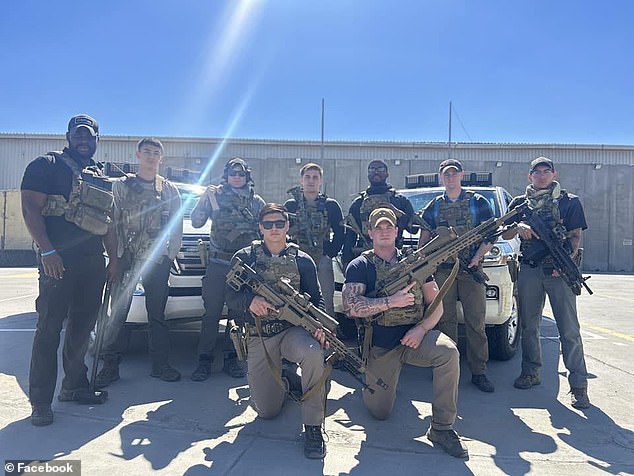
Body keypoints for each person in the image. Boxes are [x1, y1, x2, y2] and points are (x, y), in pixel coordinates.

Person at [342, 207, 467, 458]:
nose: (384, 231)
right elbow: (350, 307)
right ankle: (378, 382)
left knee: (449, 353)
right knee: (379, 412)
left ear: (397, 231)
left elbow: (437, 305)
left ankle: (442, 427)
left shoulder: (416, 262)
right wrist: (391, 302)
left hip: (414, 340)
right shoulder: (360, 265)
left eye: (389, 227)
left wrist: (421, 330)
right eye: (379, 227)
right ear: (370, 233)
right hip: (381, 345)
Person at [21, 114, 118, 426]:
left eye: (89, 136)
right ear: (67, 135)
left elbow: (109, 222)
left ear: (96, 140)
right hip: (57, 262)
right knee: (49, 330)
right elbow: (30, 209)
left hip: (92, 264)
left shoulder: (100, 174)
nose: (84, 140)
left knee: (81, 329)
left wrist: (113, 259)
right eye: (78, 134)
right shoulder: (46, 165)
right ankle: (40, 402)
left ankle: (74, 386)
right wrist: (47, 250)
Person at [225, 203, 329, 459]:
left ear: (287, 226)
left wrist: (320, 326)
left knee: (314, 352)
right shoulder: (244, 257)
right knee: (267, 411)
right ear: (260, 228)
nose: (274, 229)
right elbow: (229, 295)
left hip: (293, 332)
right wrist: (250, 302)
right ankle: (286, 380)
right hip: (260, 334)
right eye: (268, 224)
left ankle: (314, 426)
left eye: (279, 224)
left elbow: (317, 300)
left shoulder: (302, 260)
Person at [502, 157, 590, 409]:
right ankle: (531, 373)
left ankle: (579, 385)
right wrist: (518, 227)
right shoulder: (519, 203)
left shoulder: (569, 202)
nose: (541, 175)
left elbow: (575, 238)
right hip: (530, 270)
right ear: (529, 176)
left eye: (546, 171)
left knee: (569, 330)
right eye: (536, 172)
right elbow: (503, 232)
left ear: (554, 174)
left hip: (558, 273)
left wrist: (564, 264)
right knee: (529, 326)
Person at [95, 138, 183, 386]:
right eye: (147, 152)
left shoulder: (168, 189)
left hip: (156, 260)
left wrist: (170, 255)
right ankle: (110, 365)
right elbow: (112, 221)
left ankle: (160, 365)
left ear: (161, 159)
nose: (151, 156)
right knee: (118, 313)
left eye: (156, 153)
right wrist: (115, 257)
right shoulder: (122, 186)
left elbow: (176, 225)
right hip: (126, 258)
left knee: (157, 314)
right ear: (138, 155)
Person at [418, 159, 496, 393]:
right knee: (445, 320)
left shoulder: (477, 201)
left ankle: (479, 372)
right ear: (441, 177)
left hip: (471, 269)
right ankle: (446, 368)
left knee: (475, 322)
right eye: (446, 174)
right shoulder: (434, 205)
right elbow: (426, 232)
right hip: (443, 271)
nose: (450, 177)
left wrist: (477, 257)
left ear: (462, 175)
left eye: (454, 174)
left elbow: (490, 233)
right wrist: (422, 259)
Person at [189, 158, 266, 381]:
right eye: (233, 173)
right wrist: (203, 199)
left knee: (238, 315)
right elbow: (195, 222)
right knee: (211, 314)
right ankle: (204, 360)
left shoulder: (256, 202)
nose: (237, 177)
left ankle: (232, 359)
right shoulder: (215, 196)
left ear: (247, 176)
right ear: (226, 175)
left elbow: (264, 231)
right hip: (218, 263)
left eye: (241, 174)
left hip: (243, 268)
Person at [283, 163, 345, 317]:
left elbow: (340, 232)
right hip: (296, 259)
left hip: (322, 259)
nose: (311, 181)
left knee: (326, 300)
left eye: (315, 177)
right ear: (301, 180)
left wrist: (329, 254)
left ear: (321, 181)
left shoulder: (331, 205)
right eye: (307, 177)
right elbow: (281, 230)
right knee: (295, 298)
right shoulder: (291, 205)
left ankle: (330, 334)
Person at [342, 160, 416, 267]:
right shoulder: (358, 203)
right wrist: (346, 262)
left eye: (380, 169)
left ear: (387, 174)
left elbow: (413, 229)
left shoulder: (399, 200)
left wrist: (397, 213)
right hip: (365, 258)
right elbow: (350, 236)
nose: (376, 172)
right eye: (372, 169)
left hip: (394, 258)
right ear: (368, 174)